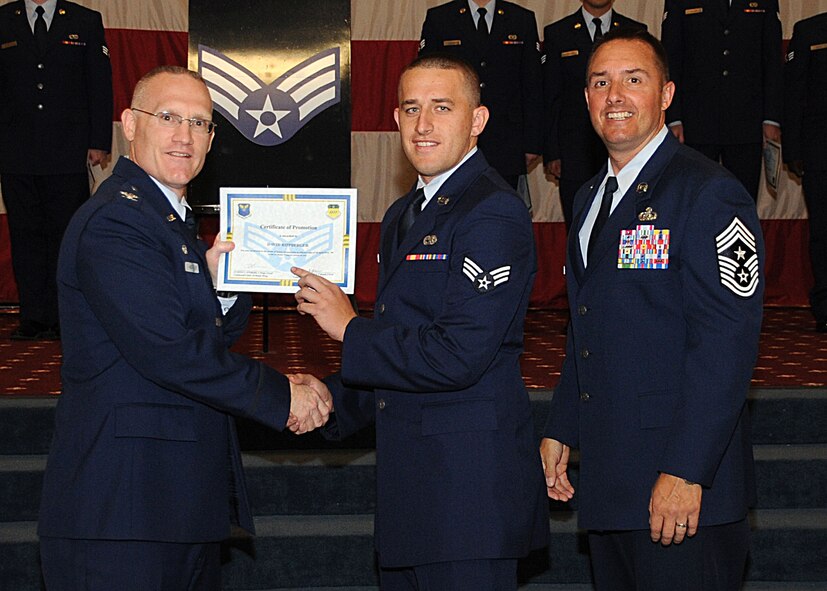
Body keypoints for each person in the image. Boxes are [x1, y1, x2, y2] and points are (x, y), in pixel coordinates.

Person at [37, 66, 332, 591]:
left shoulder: (167, 221)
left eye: (199, 123)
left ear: (212, 139)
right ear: (130, 124)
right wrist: (282, 394)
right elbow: (169, 351)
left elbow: (197, 336)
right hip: (123, 512)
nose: (184, 136)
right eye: (168, 117)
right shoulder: (117, 221)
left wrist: (219, 287)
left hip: (172, 505)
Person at [292, 54, 548, 590]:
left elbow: (458, 354)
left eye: (442, 108)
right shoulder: (404, 214)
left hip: (468, 500)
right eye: (411, 109)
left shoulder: (492, 212)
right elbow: (400, 349)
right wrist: (328, 400)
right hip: (413, 498)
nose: (423, 124)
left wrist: (350, 329)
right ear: (395, 119)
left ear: (477, 120)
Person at [540, 28, 763, 590]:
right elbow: (585, 326)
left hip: (684, 492)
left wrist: (687, 469)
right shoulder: (589, 198)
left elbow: (726, 346)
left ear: (665, 95)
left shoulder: (708, 192)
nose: (614, 95)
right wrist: (562, 425)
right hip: (611, 485)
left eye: (633, 80)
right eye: (600, 82)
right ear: (586, 98)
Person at [0, 0, 113, 340]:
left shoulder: (84, 20)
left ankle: (66, 317)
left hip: (68, 149)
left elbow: (99, 82)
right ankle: (34, 317)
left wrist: (99, 140)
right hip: (15, 149)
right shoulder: (3, 19)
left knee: (66, 236)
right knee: (25, 235)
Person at [660, 0, 782, 202]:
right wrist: (673, 117)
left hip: (747, 121)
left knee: (742, 199)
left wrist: (771, 118)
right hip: (695, 122)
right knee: (694, 198)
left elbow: (772, 59)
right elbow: (670, 59)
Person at [542, 0, 645, 230]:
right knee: (578, 225)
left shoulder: (634, 31)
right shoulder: (558, 33)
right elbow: (550, 97)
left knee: (625, 222)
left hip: (626, 147)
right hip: (573, 151)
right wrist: (552, 152)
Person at [419, 0, 543, 189]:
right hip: (455, 136)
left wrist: (532, 142)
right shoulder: (440, 18)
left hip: (506, 139)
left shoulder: (521, 19)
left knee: (501, 202)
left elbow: (532, 84)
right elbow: (426, 79)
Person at [783, 12, 827, 332]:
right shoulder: (809, 30)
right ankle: (825, 307)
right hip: (820, 150)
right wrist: (794, 150)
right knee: (823, 232)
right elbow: (794, 93)